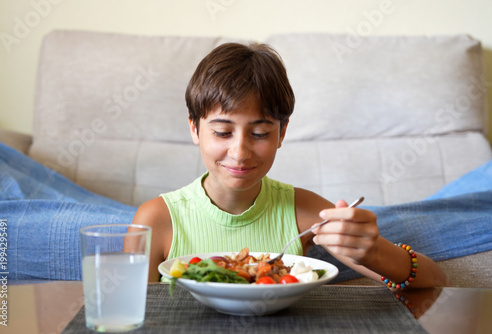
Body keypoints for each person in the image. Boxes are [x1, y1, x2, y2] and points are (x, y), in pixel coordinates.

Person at [132, 42, 448, 288]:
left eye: (259, 133)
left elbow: (434, 279)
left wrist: (374, 253)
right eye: (222, 132)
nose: (240, 152)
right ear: (194, 129)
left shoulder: (304, 210)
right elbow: (126, 311)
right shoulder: (156, 220)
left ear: (282, 133)